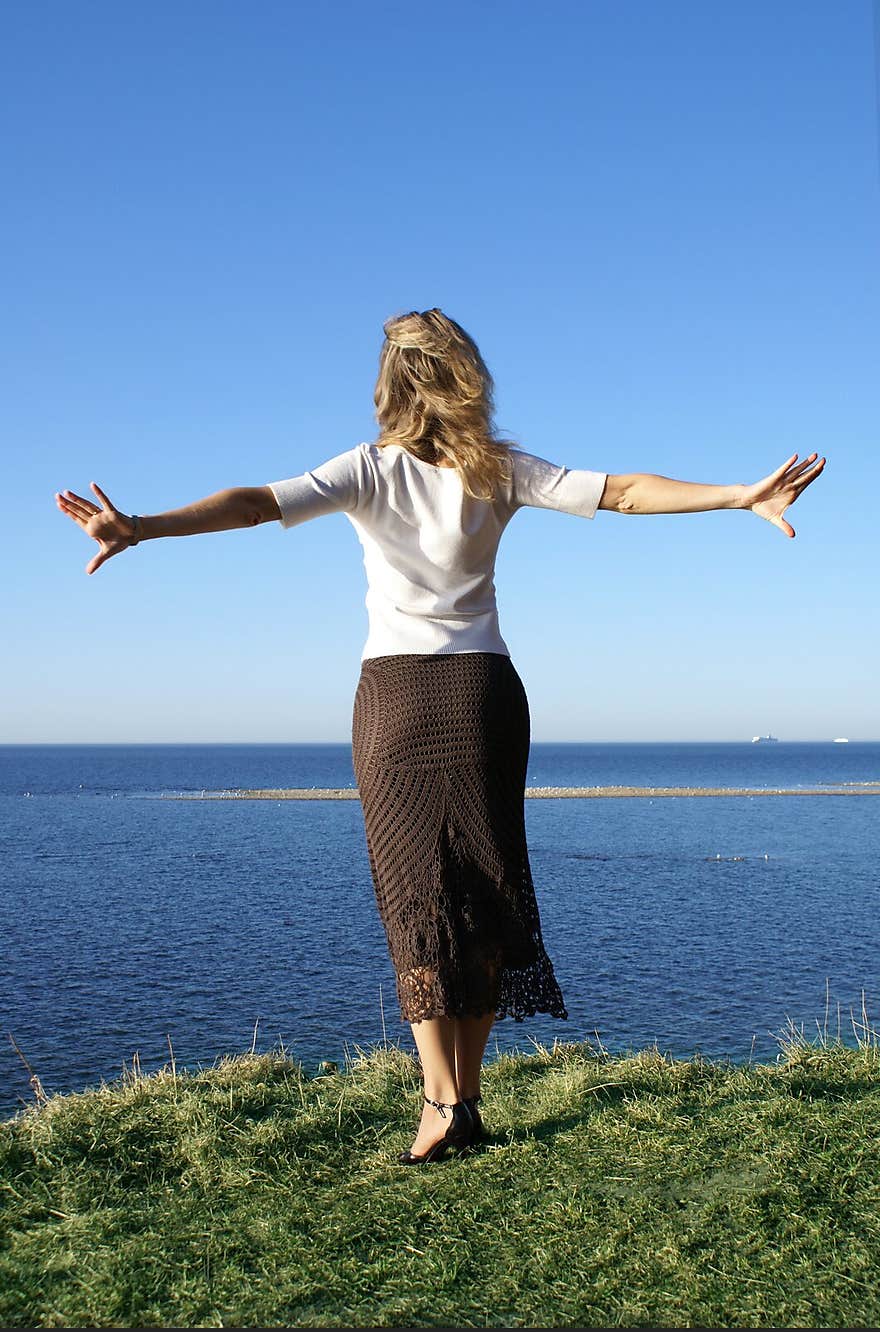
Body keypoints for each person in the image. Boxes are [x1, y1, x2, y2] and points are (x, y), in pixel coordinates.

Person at [55, 307, 826, 1165]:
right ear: (469, 376)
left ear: (390, 383)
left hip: (398, 698)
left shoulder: (367, 469)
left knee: (418, 897)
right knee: (486, 889)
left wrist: (142, 528)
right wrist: (738, 496)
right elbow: (625, 491)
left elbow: (253, 506)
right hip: (484, 692)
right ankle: (467, 1101)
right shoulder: (500, 471)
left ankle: (441, 1106)